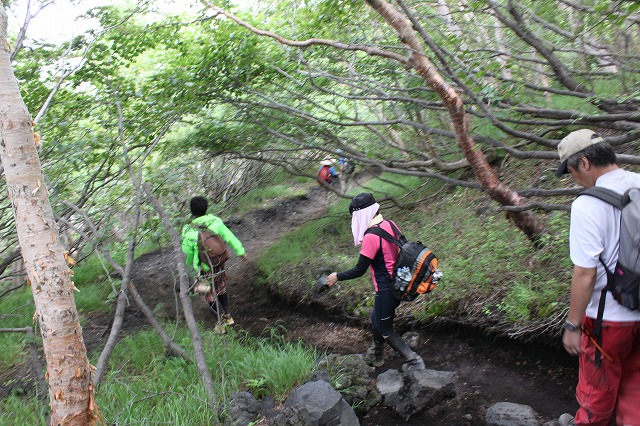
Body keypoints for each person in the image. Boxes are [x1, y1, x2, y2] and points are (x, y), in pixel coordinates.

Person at [555, 129, 640, 426]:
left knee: (596, 396)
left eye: (571, 171)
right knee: (635, 394)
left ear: (585, 163)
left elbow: (585, 274)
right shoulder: (639, 183)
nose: (574, 178)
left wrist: (572, 325)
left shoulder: (587, 204)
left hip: (607, 321)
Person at [325, 193, 425, 370]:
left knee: (385, 329)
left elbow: (359, 270)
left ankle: (414, 360)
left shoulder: (371, 237)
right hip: (399, 283)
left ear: (361, 215)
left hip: (387, 290)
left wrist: (336, 277)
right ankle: (376, 354)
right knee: (375, 318)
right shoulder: (390, 224)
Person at [181, 196, 248, 332]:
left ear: (191, 210)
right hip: (218, 263)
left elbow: (187, 250)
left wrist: (188, 265)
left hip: (202, 269)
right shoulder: (215, 221)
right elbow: (229, 237)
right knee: (221, 288)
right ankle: (228, 316)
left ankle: (219, 325)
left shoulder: (188, 229)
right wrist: (241, 252)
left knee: (208, 295)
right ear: (206, 208)